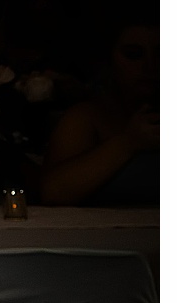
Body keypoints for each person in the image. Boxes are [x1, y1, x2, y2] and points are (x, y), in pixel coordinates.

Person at [40, 18, 158, 205]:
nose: (150, 66)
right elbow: (52, 193)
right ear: (109, 60)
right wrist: (128, 142)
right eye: (133, 55)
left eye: (162, 54)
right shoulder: (86, 118)